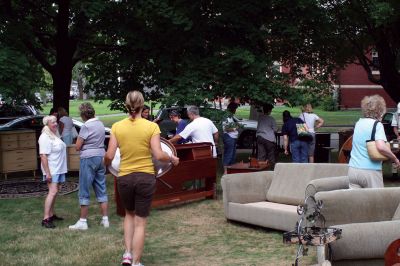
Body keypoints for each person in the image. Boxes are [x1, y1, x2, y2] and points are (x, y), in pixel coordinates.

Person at [104, 90, 179, 266]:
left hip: (124, 177)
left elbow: (109, 155)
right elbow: (160, 155)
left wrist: (104, 163)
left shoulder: (117, 127)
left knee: (129, 215)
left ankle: (127, 254)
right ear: (142, 104)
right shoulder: (151, 127)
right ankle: (136, 263)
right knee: (140, 222)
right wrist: (172, 158)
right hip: (145, 177)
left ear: (126, 105)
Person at [69, 103, 109, 230]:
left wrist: (81, 144)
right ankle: (105, 220)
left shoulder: (86, 126)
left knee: (84, 189)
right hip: (101, 156)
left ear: (83, 115)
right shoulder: (100, 124)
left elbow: (78, 146)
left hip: (88, 158)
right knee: (101, 187)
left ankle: (83, 221)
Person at [349, 95, 400, 188]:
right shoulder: (377, 125)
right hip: (370, 171)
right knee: (377, 201)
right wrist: (394, 158)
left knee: (356, 202)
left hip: (353, 169)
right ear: (379, 110)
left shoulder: (358, 123)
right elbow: (381, 147)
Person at [38, 115, 68, 228]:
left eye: (56, 122)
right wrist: (48, 173)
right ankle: (46, 219)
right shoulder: (44, 137)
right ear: (47, 125)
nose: (55, 124)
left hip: (59, 168)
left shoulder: (54, 135)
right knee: (52, 192)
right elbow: (43, 156)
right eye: (53, 122)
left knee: (55, 192)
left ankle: (51, 214)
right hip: (52, 169)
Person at [222, 103, 239, 174]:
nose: (235, 110)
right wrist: (235, 128)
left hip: (233, 137)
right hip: (229, 137)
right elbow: (226, 129)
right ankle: (225, 171)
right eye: (235, 109)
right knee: (229, 153)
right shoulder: (226, 117)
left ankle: (231, 169)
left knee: (233, 154)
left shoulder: (231, 117)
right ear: (232, 109)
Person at [391, 102, 400, 176]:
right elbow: (395, 127)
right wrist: (398, 135)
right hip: (398, 136)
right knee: (394, 152)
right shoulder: (395, 115)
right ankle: (394, 173)